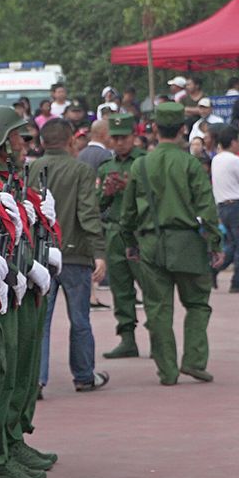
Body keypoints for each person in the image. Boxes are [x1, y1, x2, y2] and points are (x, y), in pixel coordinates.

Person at [122, 101, 223, 385]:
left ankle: (167, 371)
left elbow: (127, 213)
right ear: (182, 129)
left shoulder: (140, 164)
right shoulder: (191, 163)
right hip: (188, 242)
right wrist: (215, 242)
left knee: (158, 308)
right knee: (198, 304)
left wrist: (129, 242)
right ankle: (193, 361)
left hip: (152, 242)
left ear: (154, 128)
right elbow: (207, 207)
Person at [31, 119, 108, 391]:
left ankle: (37, 380)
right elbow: (87, 213)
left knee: (42, 322)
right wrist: (99, 251)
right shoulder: (81, 170)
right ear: (71, 141)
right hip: (75, 254)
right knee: (80, 320)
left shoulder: (31, 168)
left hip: (41, 256)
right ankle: (84, 375)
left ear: (42, 142)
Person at [97, 114, 146, 358]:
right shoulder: (107, 167)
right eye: (115, 138)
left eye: (123, 138)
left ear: (133, 138)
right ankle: (128, 338)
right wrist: (106, 192)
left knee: (151, 286)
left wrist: (131, 188)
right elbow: (97, 203)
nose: (119, 143)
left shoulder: (145, 162)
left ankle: (159, 337)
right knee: (121, 288)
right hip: (115, 232)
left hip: (140, 232)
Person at [211, 126, 239, 293]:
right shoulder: (236, 160)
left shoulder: (216, 159)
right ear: (233, 142)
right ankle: (238, 281)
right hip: (237, 205)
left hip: (223, 206)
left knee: (232, 244)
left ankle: (214, 269)